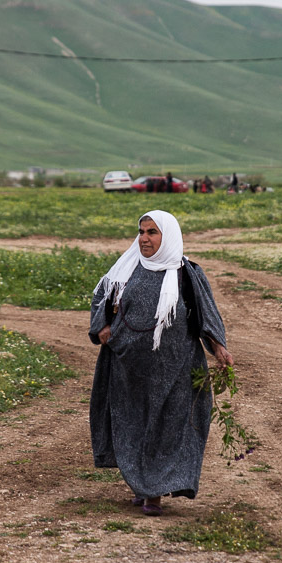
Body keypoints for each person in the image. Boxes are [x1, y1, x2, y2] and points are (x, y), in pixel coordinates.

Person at [89, 210, 234, 516]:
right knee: (134, 427)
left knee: (168, 427)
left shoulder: (186, 273)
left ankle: (153, 492)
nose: (144, 239)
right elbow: (102, 299)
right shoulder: (126, 268)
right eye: (141, 232)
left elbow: (206, 312)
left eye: (152, 232)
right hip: (128, 367)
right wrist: (101, 327)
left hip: (176, 368)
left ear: (167, 236)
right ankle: (144, 485)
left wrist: (218, 347)